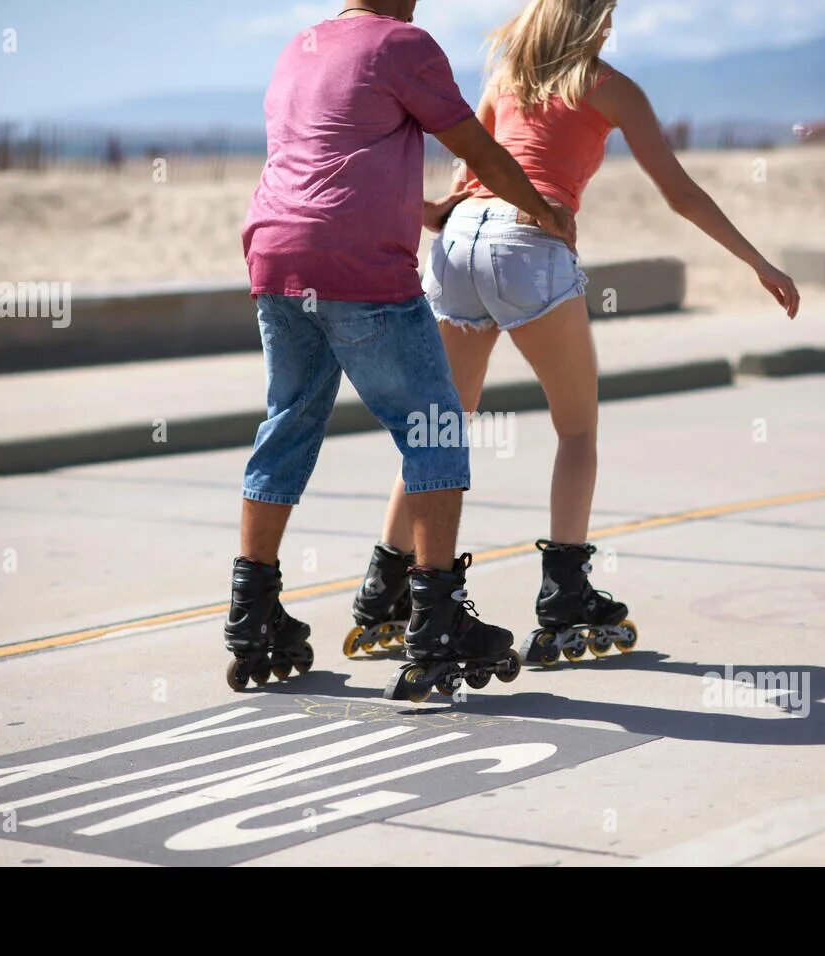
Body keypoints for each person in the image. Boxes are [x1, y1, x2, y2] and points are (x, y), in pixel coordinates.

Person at [353, 0, 800, 666]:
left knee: (440, 430)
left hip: (460, 242)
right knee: (577, 430)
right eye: (608, 15)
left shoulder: (503, 78)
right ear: (588, 22)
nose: (613, 27)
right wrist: (757, 260)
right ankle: (564, 598)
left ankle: (385, 592)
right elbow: (677, 191)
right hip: (526, 244)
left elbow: (463, 179)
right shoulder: (611, 88)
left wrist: (438, 213)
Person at [224, 0, 577, 699]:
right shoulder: (403, 45)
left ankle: (251, 612)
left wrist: (425, 214)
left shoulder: (299, 48)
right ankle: (437, 618)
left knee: (289, 421)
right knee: (435, 429)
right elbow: (478, 148)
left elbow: (323, 164)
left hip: (277, 256)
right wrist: (545, 211)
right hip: (359, 272)